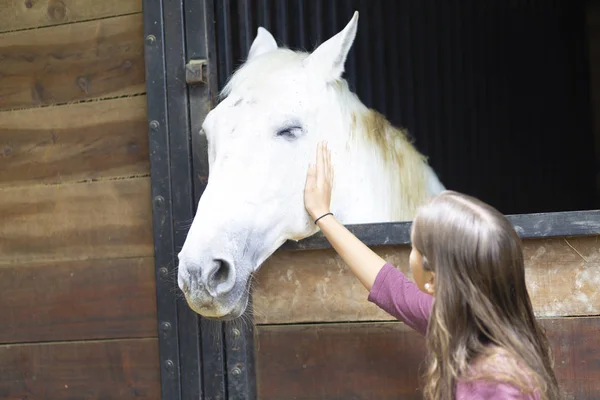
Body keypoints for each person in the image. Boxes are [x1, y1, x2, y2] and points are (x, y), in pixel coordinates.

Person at [303, 141, 561, 400]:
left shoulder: (495, 381)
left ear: (434, 280)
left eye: (415, 248)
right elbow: (390, 287)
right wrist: (323, 215)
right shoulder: (465, 320)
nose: (410, 254)